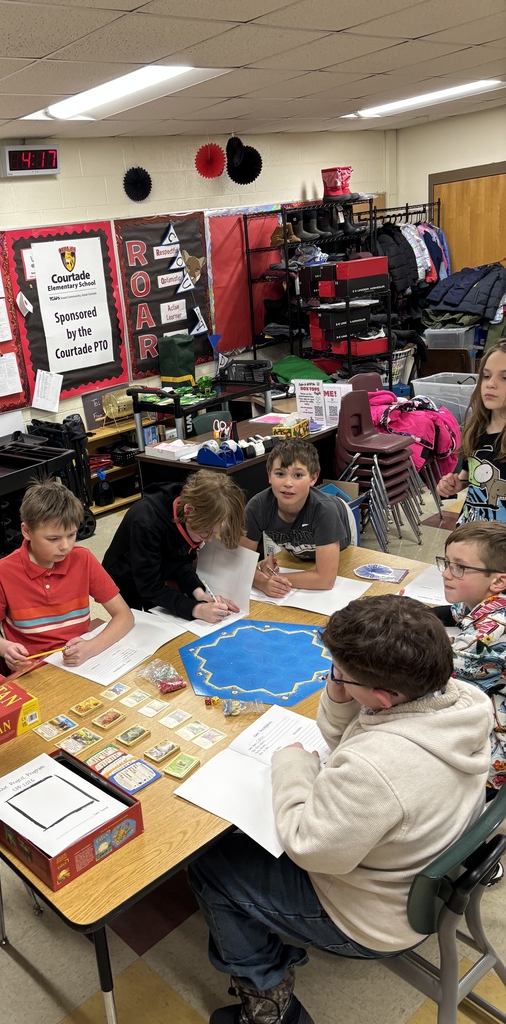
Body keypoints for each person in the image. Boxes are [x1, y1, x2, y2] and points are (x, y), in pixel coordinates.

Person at [188, 594, 491, 1024]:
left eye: (340, 674)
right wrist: (341, 688)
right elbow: (352, 736)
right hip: (420, 877)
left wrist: (292, 766)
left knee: (210, 865)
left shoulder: (377, 766)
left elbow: (309, 849)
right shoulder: (461, 700)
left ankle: (268, 999)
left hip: (372, 919)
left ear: (382, 697)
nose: (334, 678)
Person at [0, 477, 133, 671]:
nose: (65, 546)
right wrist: (6, 648)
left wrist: (91, 647)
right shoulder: (3, 572)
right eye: (53, 539)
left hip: (81, 663)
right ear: (26, 531)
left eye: (71, 535)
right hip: (34, 669)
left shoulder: (83, 559)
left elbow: (124, 616)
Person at [101, 470, 246, 623]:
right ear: (188, 511)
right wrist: (196, 609)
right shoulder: (146, 523)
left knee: (162, 618)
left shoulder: (191, 514)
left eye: (215, 533)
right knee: (135, 624)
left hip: (158, 571)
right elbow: (150, 587)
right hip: (125, 580)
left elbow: (179, 561)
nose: (209, 539)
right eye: (206, 532)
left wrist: (200, 594)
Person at [433, 521, 506, 792]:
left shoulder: (492, 628)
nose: (446, 574)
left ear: (498, 581)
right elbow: (451, 613)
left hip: (494, 755)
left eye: (459, 567)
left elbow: (430, 675)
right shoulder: (488, 600)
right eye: (447, 563)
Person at [244, 439, 353, 598]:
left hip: (341, 531)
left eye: (298, 475)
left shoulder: (325, 511)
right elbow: (241, 565)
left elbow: (326, 580)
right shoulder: (256, 507)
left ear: (313, 478)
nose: (288, 483)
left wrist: (274, 579)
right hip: (298, 553)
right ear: (269, 475)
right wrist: (263, 582)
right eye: (280, 474)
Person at [437, 339, 506, 523]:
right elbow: (469, 476)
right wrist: (455, 484)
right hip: (470, 529)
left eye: (504, 378)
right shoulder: (476, 429)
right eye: (486, 376)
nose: (491, 384)